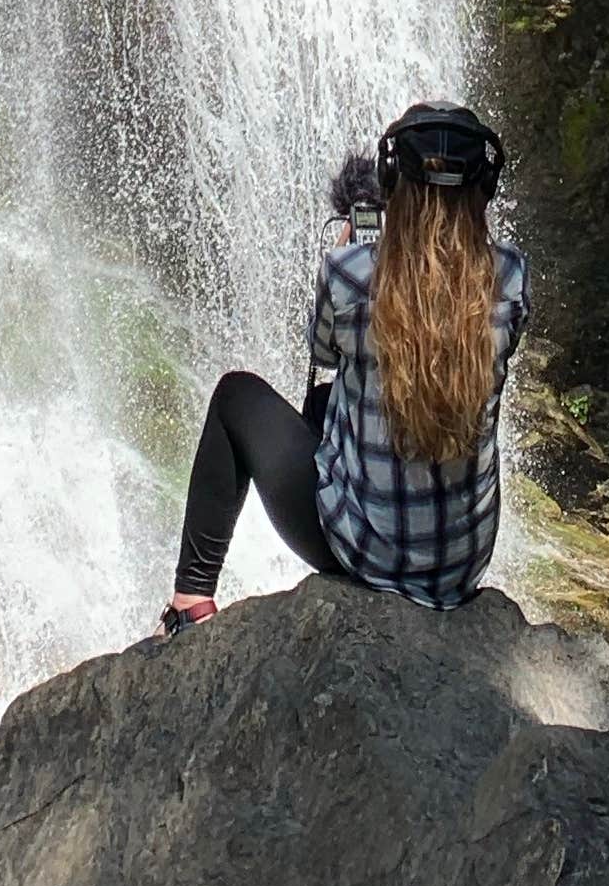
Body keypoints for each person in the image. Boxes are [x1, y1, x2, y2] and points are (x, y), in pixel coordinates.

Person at [159, 100, 525, 633]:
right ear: (484, 186)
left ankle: (190, 601)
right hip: (461, 565)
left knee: (236, 396)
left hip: (363, 554)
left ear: (390, 178)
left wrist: (353, 253)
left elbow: (324, 355)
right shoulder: (511, 277)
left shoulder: (350, 273)